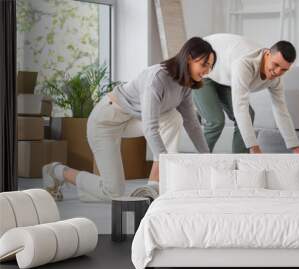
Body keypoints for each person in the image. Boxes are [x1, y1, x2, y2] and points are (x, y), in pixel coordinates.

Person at [42, 37, 216, 202]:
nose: (207, 71)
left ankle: (153, 185)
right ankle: (56, 171)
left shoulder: (185, 86)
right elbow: (150, 127)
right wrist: (166, 163)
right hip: (105, 122)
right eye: (204, 64)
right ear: (189, 58)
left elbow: (192, 124)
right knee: (113, 191)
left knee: (174, 117)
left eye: (210, 66)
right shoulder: (157, 78)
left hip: (131, 121)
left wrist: (208, 158)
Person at [192, 33, 299, 154]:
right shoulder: (244, 63)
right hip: (203, 70)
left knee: (249, 113)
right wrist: (253, 146)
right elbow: (240, 106)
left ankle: (240, 164)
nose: (277, 72)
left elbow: (281, 111)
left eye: (284, 69)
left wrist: (295, 147)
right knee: (216, 121)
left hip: (226, 77)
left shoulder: (276, 79)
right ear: (268, 54)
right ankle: (195, 165)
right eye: (275, 65)